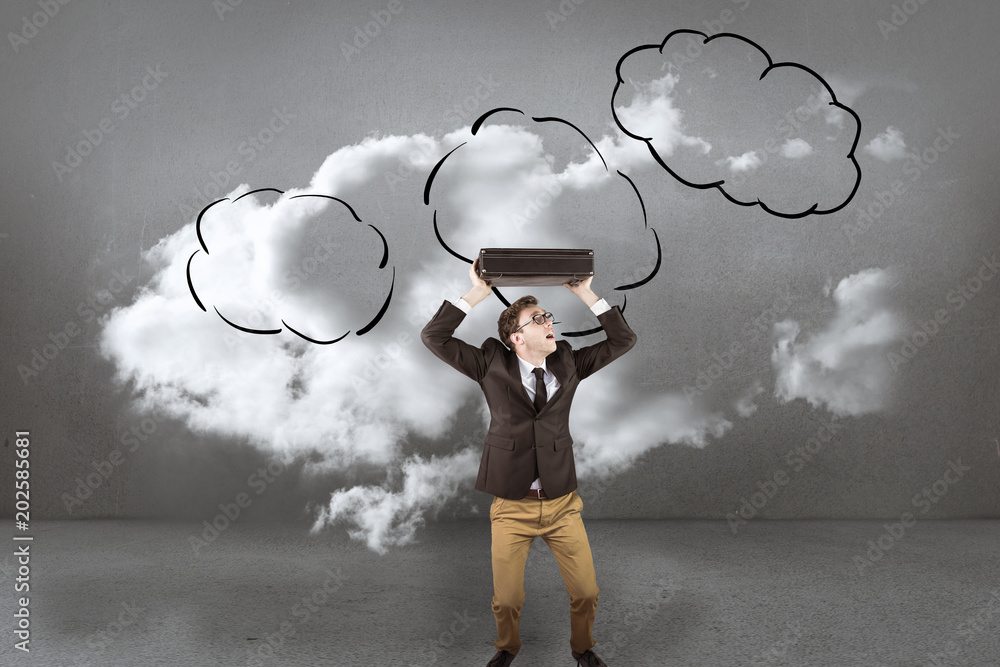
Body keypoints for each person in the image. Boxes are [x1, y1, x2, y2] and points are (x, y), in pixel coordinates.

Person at [420, 257, 638, 667]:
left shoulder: (569, 362)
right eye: (538, 319)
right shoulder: (489, 362)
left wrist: (586, 293)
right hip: (511, 506)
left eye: (548, 316)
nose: (549, 322)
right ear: (516, 337)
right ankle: (507, 649)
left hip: (561, 504)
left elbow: (622, 340)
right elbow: (434, 336)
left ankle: (582, 649)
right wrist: (477, 294)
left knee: (587, 592)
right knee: (507, 599)